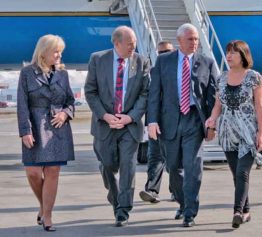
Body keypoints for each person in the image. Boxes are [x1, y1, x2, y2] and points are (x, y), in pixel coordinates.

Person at [148, 23, 218, 227]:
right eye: (190, 39)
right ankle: (182, 201)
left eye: (196, 39)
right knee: (173, 167)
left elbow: (213, 96)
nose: (194, 43)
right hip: (169, 121)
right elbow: (154, 94)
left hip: (194, 122)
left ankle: (190, 212)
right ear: (179, 41)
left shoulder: (207, 62)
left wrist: (212, 124)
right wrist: (152, 121)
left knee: (193, 167)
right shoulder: (163, 61)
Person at [84, 26, 150, 227]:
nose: (133, 47)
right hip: (105, 125)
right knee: (107, 165)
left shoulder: (141, 62)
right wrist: (104, 115)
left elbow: (145, 94)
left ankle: (123, 210)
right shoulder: (97, 59)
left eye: (135, 43)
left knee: (128, 166)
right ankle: (115, 196)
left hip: (129, 126)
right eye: (129, 43)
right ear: (116, 43)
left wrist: (130, 117)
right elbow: (90, 91)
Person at [17, 34, 75, 232]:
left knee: (52, 171)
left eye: (61, 51)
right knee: (33, 172)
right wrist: (25, 131)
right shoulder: (26, 73)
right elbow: (22, 105)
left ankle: (48, 216)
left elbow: (70, 102)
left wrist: (65, 114)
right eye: (56, 51)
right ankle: (43, 206)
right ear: (43, 52)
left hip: (57, 129)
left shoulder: (63, 74)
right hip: (34, 126)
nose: (59, 55)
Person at [205, 40, 262, 229]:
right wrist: (212, 120)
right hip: (227, 132)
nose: (229, 56)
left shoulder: (254, 77)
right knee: (235, 174)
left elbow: (259, 106)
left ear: (243, 55)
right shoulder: (222, 78)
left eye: (233, 52)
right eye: (228, 52)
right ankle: (246, 211)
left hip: (248, 132)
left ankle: (237, 211)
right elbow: (218, 105)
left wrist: (261, 133)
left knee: (242, 172)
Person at [139, 40, 175, 204]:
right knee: (154, 157)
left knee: (174, 159)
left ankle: (177, 191)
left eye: (167, 51)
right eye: (161, 53)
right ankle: (152, 190)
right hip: (155, 123)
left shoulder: (180, 72)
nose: (164, 55)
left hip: (175, 123)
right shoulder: (152, 73)